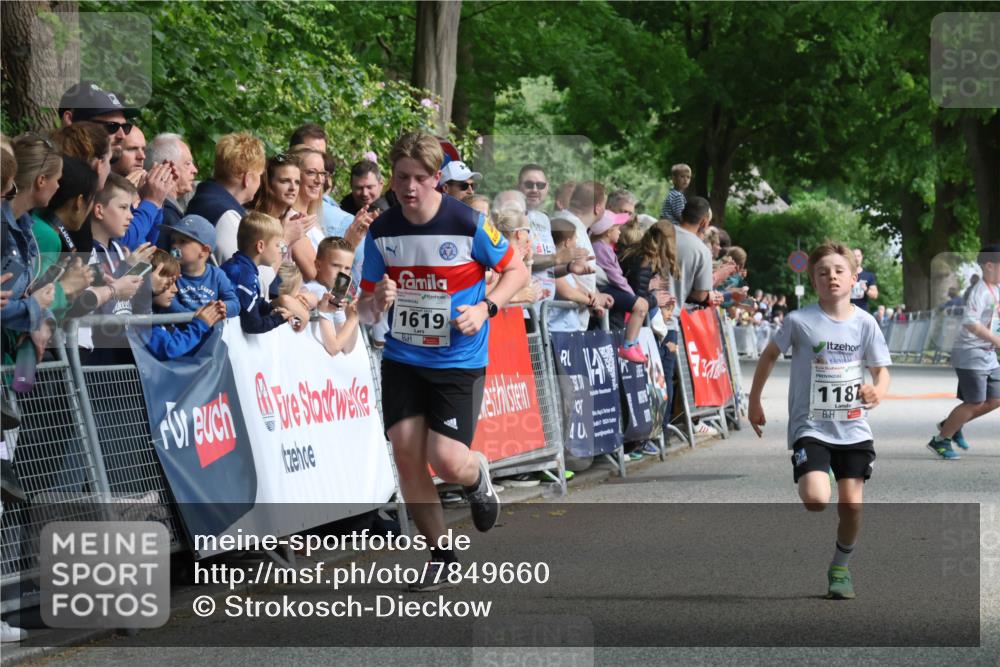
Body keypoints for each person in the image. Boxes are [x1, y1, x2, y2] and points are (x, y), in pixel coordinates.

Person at [357, 131, 529, 591]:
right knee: (407, 452)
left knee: (447, 460)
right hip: (403, 356)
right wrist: (379, 299)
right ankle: (442, 555)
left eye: (418, 178)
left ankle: (475, 476)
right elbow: (364, 307)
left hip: (457, 359)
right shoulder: (381, 230)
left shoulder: (468, 222)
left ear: (437, 178)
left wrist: (486, 307)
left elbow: (517, 269)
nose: (408, 188)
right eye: (400, 178)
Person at [748, 242, 891, 600]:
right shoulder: (799, 321)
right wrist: (754, 400)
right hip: (811, 425)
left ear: (854, 279)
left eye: (839, 271)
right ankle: (819, 468)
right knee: (815, 499)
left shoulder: (865, 323)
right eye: (823, 272)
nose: (832, 277)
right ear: (814, 281)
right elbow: (768, 356)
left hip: (854, 426)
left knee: (852, 507)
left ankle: (840, 567)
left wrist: (878, 390)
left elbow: (880, 371)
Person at [927, 245, 1000, 459]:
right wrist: (996, 340)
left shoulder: (996, 289)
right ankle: (940, 440)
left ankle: (951, 423)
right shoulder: (979, 292)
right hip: (971, 353)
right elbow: (970, 323)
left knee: (996, 398)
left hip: (987, 353)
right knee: (975, 402)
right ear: (989, 265)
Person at [30, 157, 99, 319]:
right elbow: (34, 303)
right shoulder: (48, 237)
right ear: (79, 202)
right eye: (92, 199)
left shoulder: (34, 219)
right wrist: (68, 288)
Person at [185, 132, 265, 264]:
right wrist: (283, 245)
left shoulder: (203, 199)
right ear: (248, 179)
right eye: (260, 175)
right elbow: (244, 275)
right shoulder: (226, 216)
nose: (260, 182)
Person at [141, 249, 227, 360]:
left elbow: (187, 350)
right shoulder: (140, 317)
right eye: (169, 283)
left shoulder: (161, 315)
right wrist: (200, 325)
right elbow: (170, 349)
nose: (175, 289)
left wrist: (208, 320)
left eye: (175, 282)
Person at [220, 211, 294, 334]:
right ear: (260, 246)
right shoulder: (244, 277)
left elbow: (253, 302)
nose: (281, 251)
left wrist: (271, 309)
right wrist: (279, 319)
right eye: (277, 245)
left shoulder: (241, 267)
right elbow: (252, 325)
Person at [590, 210, 649, 361]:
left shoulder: (604, 247)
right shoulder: (599, 247)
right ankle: (628, 345)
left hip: (611, 287)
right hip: (606, 289)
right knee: (640, 305)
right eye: (617, 228)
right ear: (608, 232)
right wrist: (631, 295)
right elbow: (615, 276)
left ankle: (633, 343)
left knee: (642, 304)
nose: (619, 231)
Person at [554, 181, 614, 329]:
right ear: (598, 207)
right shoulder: (569, 228)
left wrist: (594, 294)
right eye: (604, 206)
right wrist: (592, 299)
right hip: (562, 321)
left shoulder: (575, 227)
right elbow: (562, 271)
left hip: (573, 319)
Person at [161, 214, 239, 317]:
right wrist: (196, 317)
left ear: (204, 250)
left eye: (182, 241)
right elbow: (170, 305)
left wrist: (224, 306)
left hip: (210, 329)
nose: (175, 246)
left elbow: (235, 303)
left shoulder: (217, 275)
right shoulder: (170, 273)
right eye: (173, 241)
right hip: (182, 329)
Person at [303, 237, 361, 356]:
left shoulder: (335, 295)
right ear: (318, 265)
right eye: (335, 265)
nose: (342, 273)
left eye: (347, 268)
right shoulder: (316, 291)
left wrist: (353, 314)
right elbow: (334, 348)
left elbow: (347, 347)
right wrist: (352, 319)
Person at [145, 133, 198, 233]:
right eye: (187, 163)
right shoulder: (166, 217)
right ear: (169, 167)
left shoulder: (157, 211)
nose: (195, 170)